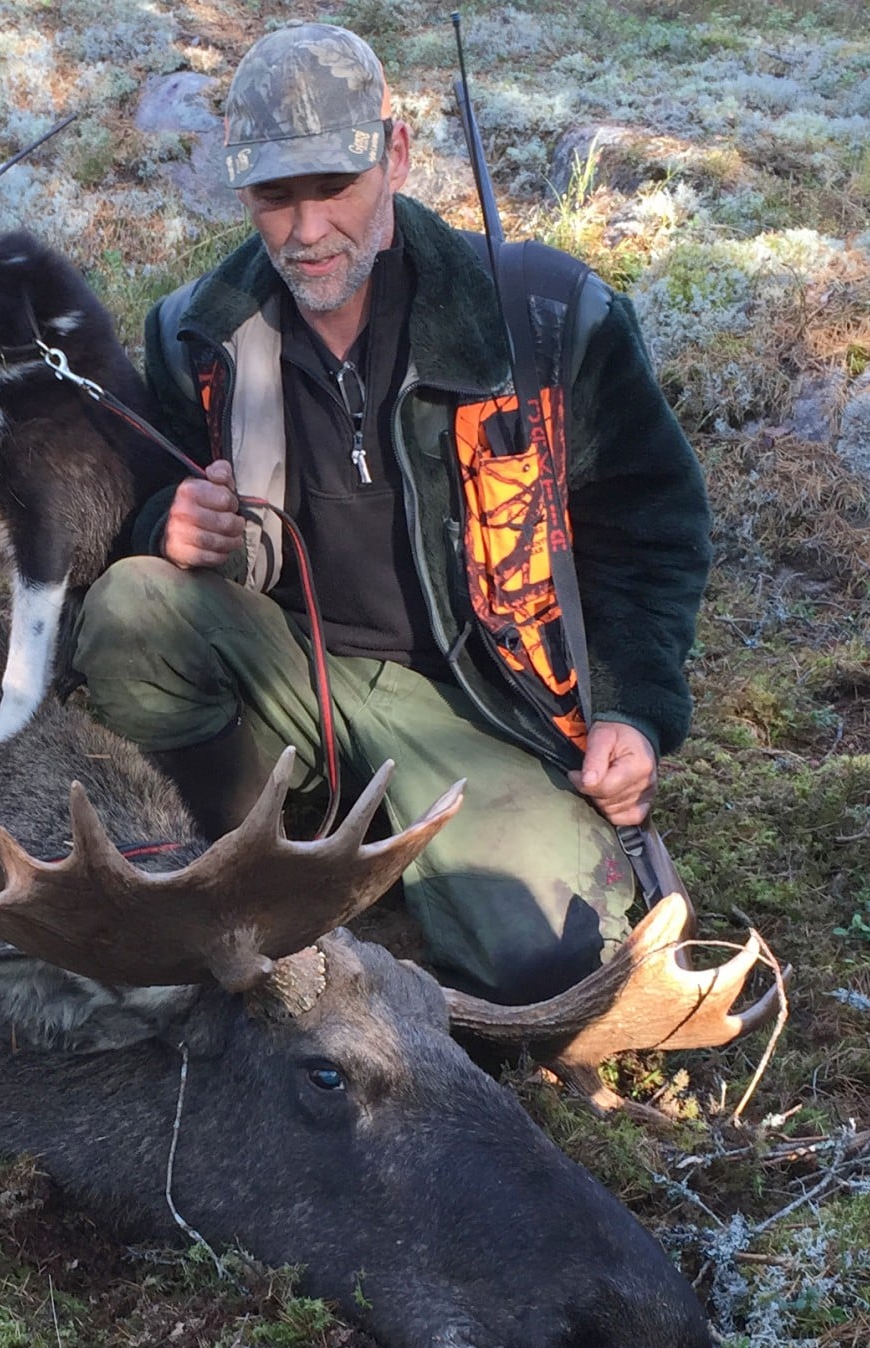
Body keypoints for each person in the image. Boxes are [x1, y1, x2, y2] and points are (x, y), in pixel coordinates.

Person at [73, 22, 712, 1004]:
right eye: (272, 197)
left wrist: (631, 710)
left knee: (556, 964)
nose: (303, 229)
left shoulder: (548, 318)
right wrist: (163, 520)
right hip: (289, 680)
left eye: (332, 184)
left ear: (396, 153)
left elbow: (648, 526)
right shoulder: (193, 333)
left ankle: (423, 849)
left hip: (485, 713)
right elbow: (124, 502)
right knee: (129, 608)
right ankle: (249, 860)